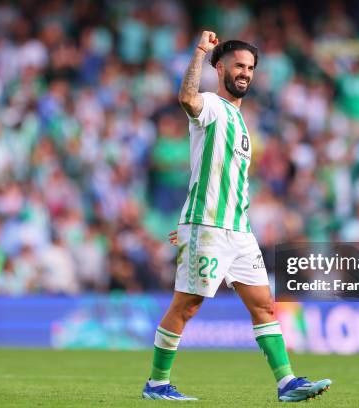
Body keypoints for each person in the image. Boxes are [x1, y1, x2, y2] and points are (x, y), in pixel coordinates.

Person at [141, 31, 332, 402]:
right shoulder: (211, 105)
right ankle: (157, 384)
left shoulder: (243, 123)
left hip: (239, 232)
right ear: (220, 68)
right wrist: (199, 52)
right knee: (187, 305)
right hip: (210, 228)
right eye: (238, 65)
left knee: (264, 305)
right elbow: (185, 97)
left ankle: (286, 383)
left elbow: (218, 178)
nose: (245, 73)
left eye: (250, 68)